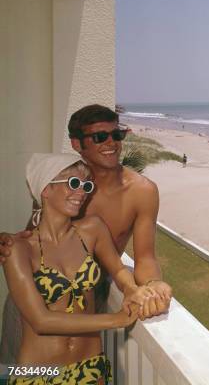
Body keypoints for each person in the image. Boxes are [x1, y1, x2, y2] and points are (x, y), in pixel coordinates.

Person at [0, 105, 171, 362]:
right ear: (77, 144)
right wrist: (7, 241)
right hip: (34, 300)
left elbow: (145, 257)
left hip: (90, 294)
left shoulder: (142, 191)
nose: (111, 143)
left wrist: (150, 287)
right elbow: (33, 234)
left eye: (117, 135)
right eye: (100, 137)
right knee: (15, 369)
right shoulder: (61, 183)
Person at [3, 154, 152, 384]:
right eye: (73, 183)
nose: (82, 192)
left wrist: (131, 289)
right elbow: (41, 321)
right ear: (45, 189)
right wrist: (116, 320)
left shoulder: (92, 230)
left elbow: (119, 270)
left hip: (90, 366)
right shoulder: (19, 248)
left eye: (86, 185)